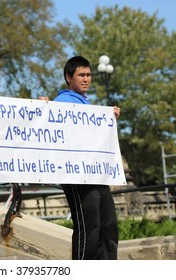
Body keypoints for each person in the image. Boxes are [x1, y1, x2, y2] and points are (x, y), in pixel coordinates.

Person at [53, 56, 121, 260]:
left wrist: (109, 118)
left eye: (89, 75)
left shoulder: (88, 105)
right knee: (89, 229)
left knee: (108, 228)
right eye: (81, 75)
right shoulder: (61, 102)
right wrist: (42, 108)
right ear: (68, 77)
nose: (86, 79)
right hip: (77, 177)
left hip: (97, 174)